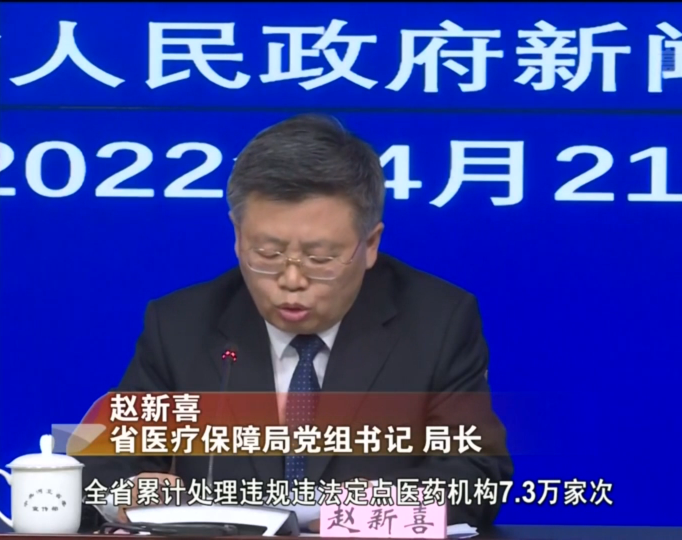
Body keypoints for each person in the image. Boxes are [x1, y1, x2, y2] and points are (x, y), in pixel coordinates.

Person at [79, 114, 513, 532]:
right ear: (237, 236)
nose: (291, 279)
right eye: (267, 253)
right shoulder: (180, 326)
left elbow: (478, 474)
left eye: (320, 258)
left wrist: (379, 507)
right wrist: (128, 492)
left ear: (370, 244)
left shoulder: (437, 321)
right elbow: (102, 465)